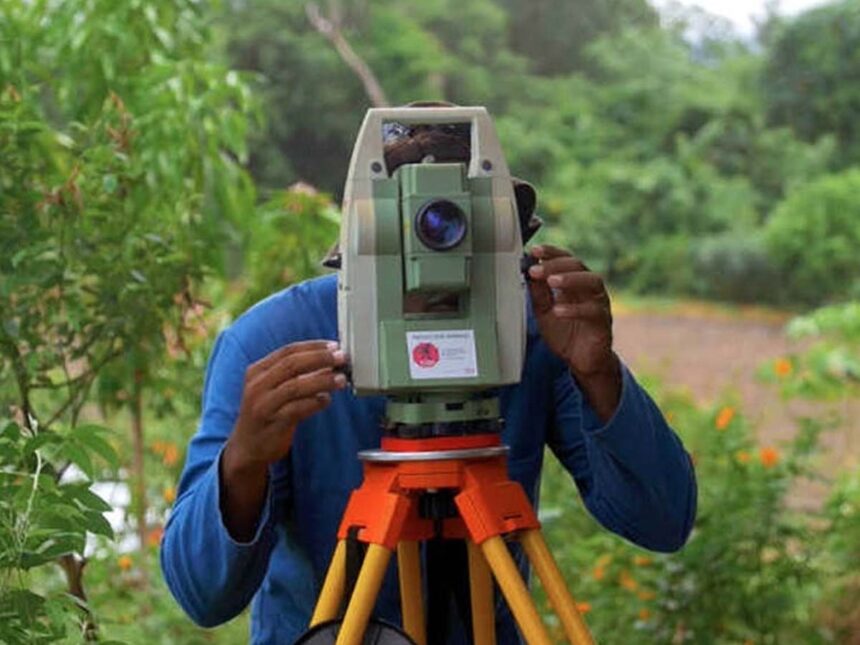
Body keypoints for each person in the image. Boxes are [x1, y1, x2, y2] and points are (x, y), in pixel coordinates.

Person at [160, 112, 698, 644]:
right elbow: (202, 594)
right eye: (420, 231)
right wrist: (244, 462)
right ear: (367, 241)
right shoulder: (275, 341)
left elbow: (663, 520)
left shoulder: (533, 335)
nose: (440, 251)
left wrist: (598, 374)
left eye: (461, 230)